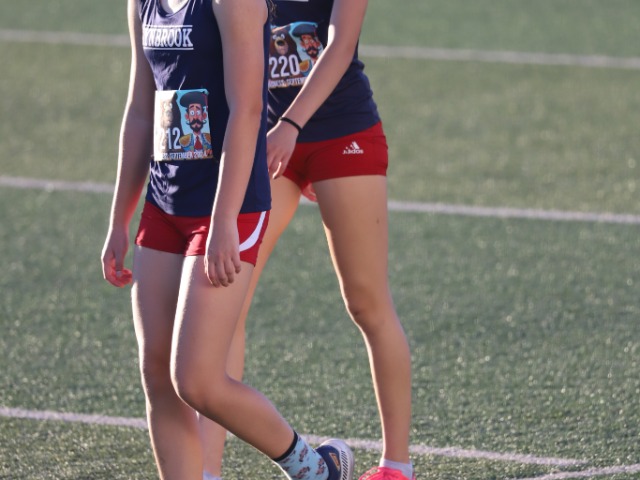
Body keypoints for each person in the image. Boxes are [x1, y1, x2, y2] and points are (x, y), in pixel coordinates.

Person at [100, 0, 355, 479]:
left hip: (227, 207)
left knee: (195, 380)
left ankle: (314, 469)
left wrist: (223, 220)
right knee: (157, 374)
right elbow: (140, 109)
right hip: (164, 202)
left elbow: (248, 109)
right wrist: (119, 219)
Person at [199, 0, 416, 479]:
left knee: (367, 303)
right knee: (226, 299)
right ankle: (206, 468)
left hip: (340, 134)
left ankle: (396, 466)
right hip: (269, 139)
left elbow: (339, 46)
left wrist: (292, 126)